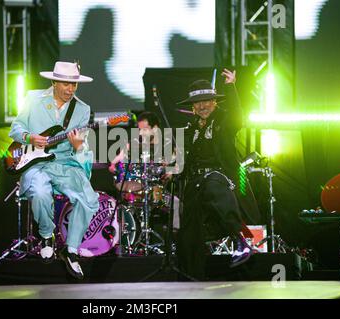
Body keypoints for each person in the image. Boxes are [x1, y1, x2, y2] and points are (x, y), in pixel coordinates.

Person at [9, 61, 99, 279]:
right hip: (36, 162)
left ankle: (71, 250)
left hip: (65, 163)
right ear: (54, 81)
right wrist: (30, 137)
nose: (70, 89)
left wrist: (79, 147)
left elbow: (82, 149)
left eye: (74, 85)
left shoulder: (82, 109)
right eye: (66, 84)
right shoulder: (33, 98)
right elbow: (16, 128)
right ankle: (46, 236)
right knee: (39, 191)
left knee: (89, 200)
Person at [176, 69, 260, 280]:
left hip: (220, 176)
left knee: (215, 186)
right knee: (188, 230)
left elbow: (238, 116)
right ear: (193, 106)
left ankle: (241, 241)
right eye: (197, 103)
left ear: (214, 101)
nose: (202, 106)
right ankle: (190, 274)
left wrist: (231, 87)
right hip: (195, 181)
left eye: (206, 101)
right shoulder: (190, 128)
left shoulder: (224, 120)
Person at [108, 111, 181, 232]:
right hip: (137, 191)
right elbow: (115, 161)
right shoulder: (134, 144)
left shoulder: (167, 145)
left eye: (145, 129)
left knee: (177, 204)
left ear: (155, 128)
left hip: (157, 191)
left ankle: (175, 240)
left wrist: (171, 171)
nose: (141, 133)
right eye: (139, 129)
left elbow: (178, 164)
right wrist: (113, 165)